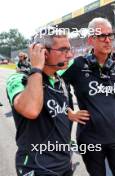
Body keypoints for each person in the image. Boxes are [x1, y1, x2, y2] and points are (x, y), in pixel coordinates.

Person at [58, 17, 115, 176]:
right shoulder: (77, 64)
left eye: (110, 35)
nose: (107, 40)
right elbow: (52, 82)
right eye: (102, 36)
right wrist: (68, 111)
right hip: (89, 139)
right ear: (91, 40)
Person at [6, 28, 89, 176]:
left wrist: (70, 113)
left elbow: (54, 106)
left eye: (69, 49)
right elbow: (31, 110)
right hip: (36, 167)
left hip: (63, 163)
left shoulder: (59, 80)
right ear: (43, 52)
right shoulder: (18, 79)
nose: (69, 55)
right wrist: (37, 67)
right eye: (63, 50)